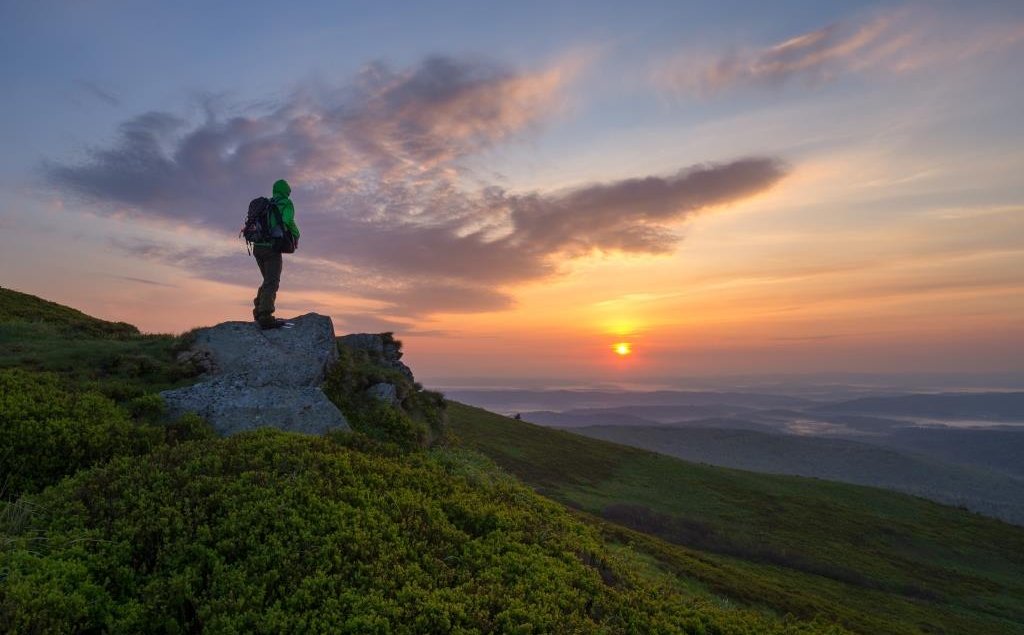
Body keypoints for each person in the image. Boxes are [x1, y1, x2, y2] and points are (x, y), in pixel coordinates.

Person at [252, 179, 300, 329]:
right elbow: (287, 220)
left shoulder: (267, 204)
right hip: (271, 248)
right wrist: (296, 234)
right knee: (272, 282)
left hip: (257, 247)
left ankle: (258, 310)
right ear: (286, 191)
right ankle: (265, 316)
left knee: (268, 280)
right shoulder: (286, 203)